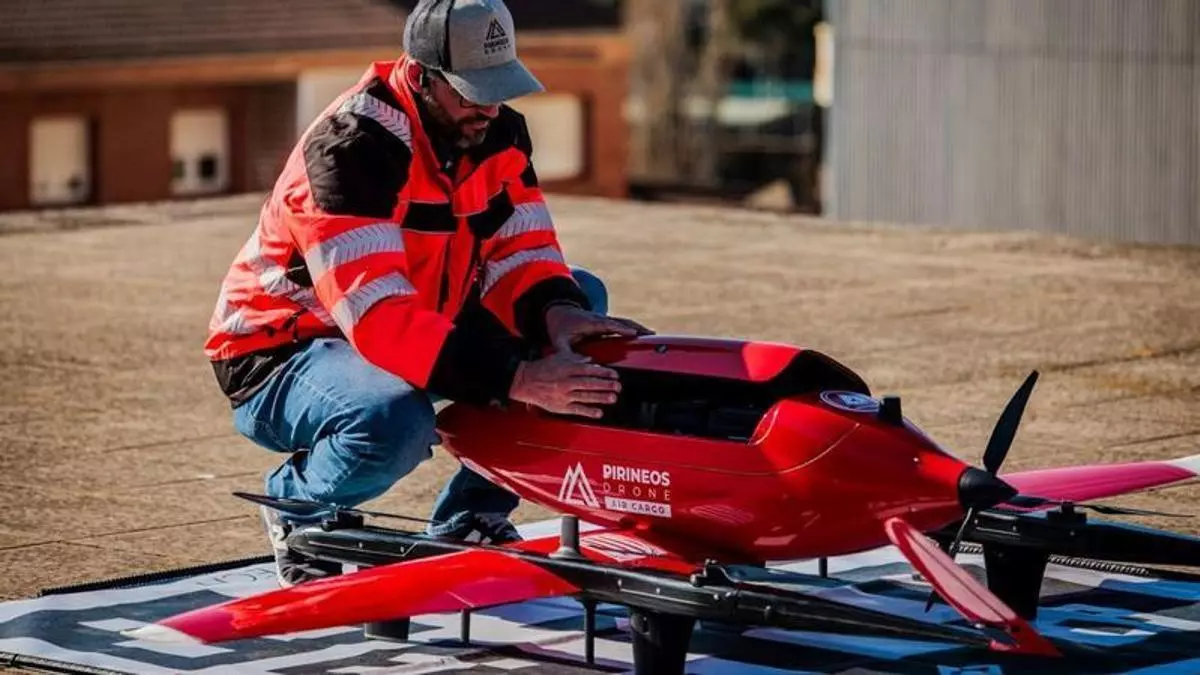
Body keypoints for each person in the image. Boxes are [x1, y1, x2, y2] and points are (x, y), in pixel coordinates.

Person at [203, 0, 650, 587]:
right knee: (393, 422)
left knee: (580, 303)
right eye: (470, 92)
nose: (488, 107)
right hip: (283, 351)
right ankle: (300, 509)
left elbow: (524, 247)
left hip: (406, 321)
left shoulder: (497, 132)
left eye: (498, 87)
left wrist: (557, 313)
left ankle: (471, 519)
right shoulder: (351, 148)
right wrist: (518, 377)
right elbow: (379, 315)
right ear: (420, 76)